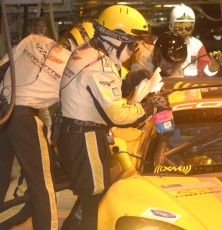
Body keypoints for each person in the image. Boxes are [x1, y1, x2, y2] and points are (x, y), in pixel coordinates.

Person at [56, 5, 170, 229]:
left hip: (74, 132)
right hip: (84, 136)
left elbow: (94, 95)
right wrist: (150, 106)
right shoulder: (99, 65)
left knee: (89, 198)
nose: (135, 49)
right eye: (132, 43)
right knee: (94, 200)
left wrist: (129, 80)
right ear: (116, 39)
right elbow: (117, 114)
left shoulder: (89, 52)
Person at [0, 22, 94, 230]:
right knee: (42, 188)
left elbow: (3, 67)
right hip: (25, 119)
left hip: (3, 112)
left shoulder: (34, 39)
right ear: (87, 45)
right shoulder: (74, 67)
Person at [169, 4, 222, 78]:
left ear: (193, 26)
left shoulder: (197, 45)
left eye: (188, 28)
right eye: (179, 27)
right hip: (167, 88)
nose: (184, 31)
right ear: (170, 25)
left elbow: (204, 76)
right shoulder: (160, 44)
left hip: (191, 88)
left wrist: (211, 69)